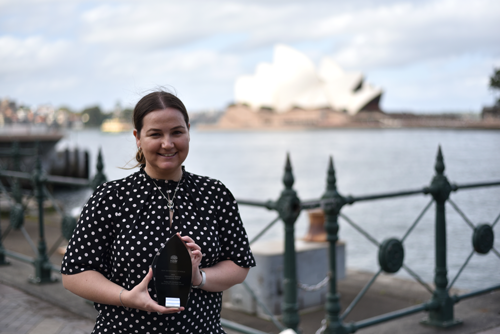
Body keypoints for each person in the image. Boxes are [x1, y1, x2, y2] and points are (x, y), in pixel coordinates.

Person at [61, 90, 256, 334]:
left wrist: (199, 278)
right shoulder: (110, 197)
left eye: (177, 132)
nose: (168, 143)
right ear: (138, 138)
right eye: (155, 134)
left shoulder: (214, 194)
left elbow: (239, 263)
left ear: (188, 132)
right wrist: (126, 297)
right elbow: (74, 273)